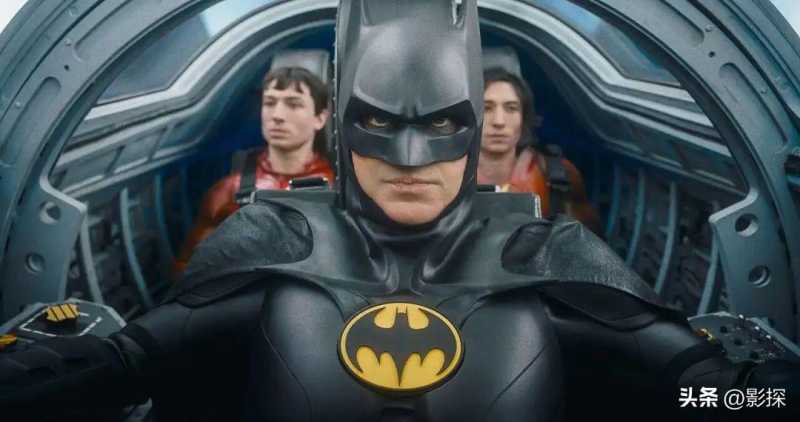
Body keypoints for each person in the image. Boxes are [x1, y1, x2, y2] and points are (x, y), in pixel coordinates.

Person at [1, 1, 797, 421]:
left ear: (473, 130)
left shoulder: (545, 252)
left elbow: (693, 382)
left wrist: (755, 393)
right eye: (380, 125)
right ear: (343, 129)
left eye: (442, 126)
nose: (411, 159)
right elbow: (129, 363)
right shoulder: (274, 236)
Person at [172, 66, 335, 275]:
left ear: (320, 118)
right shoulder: (228, 189)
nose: (277, 115)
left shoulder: (340, 187)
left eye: (294, 104)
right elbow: (189, 270)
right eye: (270, 103)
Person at [478, 66, 601, 233]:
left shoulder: (556, 173)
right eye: (486, 108)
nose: (499, 121)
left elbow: (585, 240)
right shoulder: (448, 176)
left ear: (524, 117)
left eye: (511, 108)